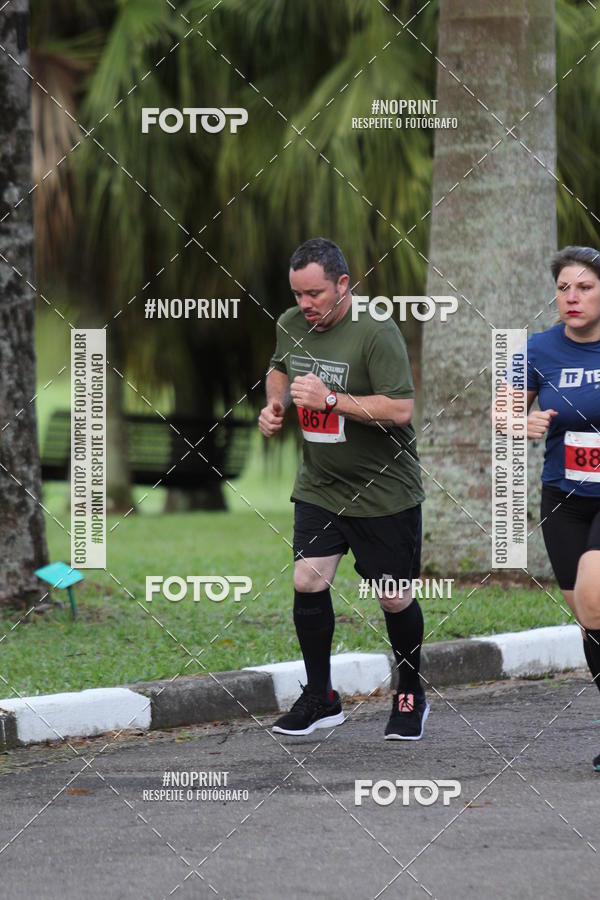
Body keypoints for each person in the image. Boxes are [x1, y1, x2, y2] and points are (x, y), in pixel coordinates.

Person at [258, 237, 427, 740]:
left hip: (383, 491)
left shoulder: (376, 332)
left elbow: (400, 410)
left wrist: (332, 399)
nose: (305, 305)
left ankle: (409, 694)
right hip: (321, 484)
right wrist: (277, 406)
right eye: (297, 295)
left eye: (314, 293)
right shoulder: (292, 325)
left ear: (343, 285)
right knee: (307, 582)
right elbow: (278, 367)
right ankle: (322, 696)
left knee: (394, 598)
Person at [519, 246, 600, 771]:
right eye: (564, 288)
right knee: (589, 618)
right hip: (563, 499)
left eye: (585, 287)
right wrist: (517, 423)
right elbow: (502, 412)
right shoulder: (536, 349)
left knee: (595, 595)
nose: (572, 297)